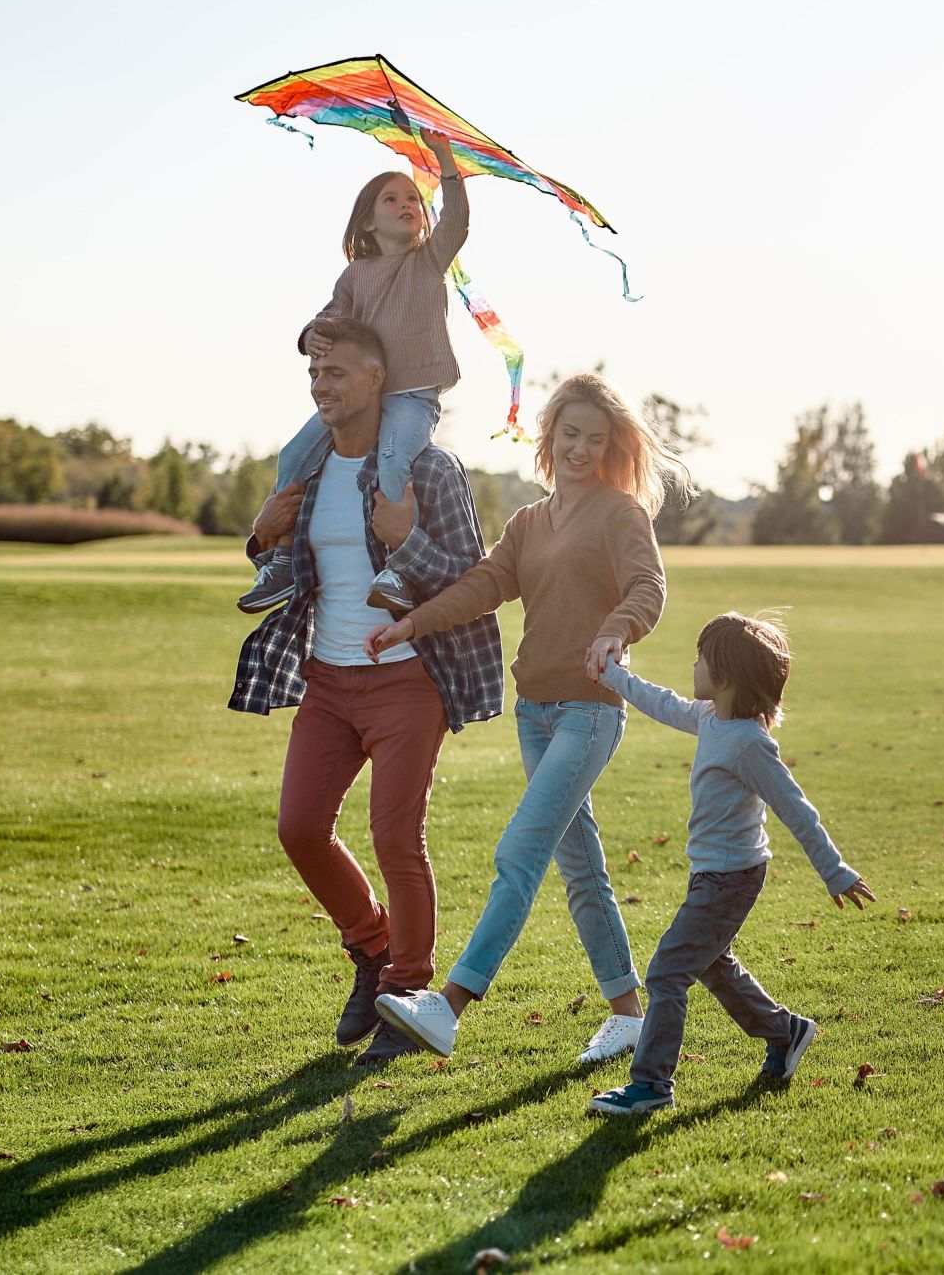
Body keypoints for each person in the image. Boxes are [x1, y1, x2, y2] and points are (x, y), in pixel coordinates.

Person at [366, 373, 687, 1067]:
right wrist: (413, 624)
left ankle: (448, 1007)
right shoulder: (529, 522)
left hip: (590, 712)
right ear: (550, 435)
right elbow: (483, 586)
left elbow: (648, 586)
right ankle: (629, 1014)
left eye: (595, 439)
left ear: (610, 447)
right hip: (534, 714)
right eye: (570, 434)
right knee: (582, 870)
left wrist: (616, 630)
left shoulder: (619, 514)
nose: (580, 448)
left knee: (519, 853)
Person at [228, 317, 505, 1067]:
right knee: (299, 827)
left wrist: (406, 535)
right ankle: (372, 948)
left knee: (395, 835)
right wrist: (260, 535)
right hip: (327, 680)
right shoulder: (305, 475)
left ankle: (409, 997)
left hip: (408, 681)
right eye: (314, 374)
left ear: (379, 378)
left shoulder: (431, 470)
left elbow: (473, 576)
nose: (321, 385)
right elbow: (276, 571)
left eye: (336, 372)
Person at [581, 612, 875, 1116]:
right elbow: (661, 702)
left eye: (701, 659)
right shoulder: (710, 718)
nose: (692, 665)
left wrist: (835, 871)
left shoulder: (749, 743)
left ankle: (651, 1085)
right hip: (711, 875)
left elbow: (796, 810)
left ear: (727, 676)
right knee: (714, 966)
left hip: (732, 878)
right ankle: (785, 1032)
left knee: (668, 972)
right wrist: (615, 676)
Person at [242, 132, 469, 617]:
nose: (407, 204)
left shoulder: (428, 263)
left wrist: (446, 164)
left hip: (410, 397)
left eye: (413, 198)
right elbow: (329, 318)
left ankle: (397, 569)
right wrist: (312, 337)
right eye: (392, 198)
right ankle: (281, 556)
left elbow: (457, 224)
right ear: (368, 220)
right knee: (293, 455)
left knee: (392, 463)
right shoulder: (355, 276)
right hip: (363, 399)